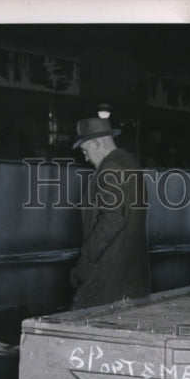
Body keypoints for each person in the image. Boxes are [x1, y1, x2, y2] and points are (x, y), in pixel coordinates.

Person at [69, 117, 150, 310]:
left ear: (97, 143)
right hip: (131, 273)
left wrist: (85, 261)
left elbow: (112, 221)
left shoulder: (110, 169)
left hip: (107, 272)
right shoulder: (131, 163)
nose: (86, 158)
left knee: (79, 325)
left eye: (85, 151)